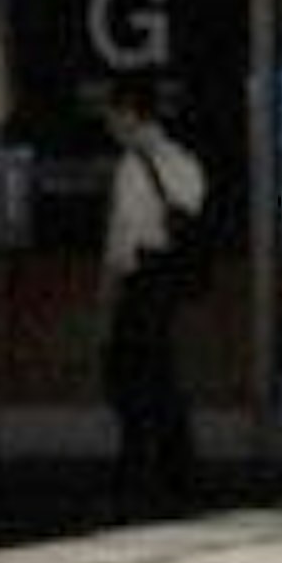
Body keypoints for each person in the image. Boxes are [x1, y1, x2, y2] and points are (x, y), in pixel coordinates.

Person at [93, 72, 207, 514]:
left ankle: (136, 472)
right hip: (170, 280)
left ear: (128, 112)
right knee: (161, 375)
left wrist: (106, 295)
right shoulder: (183, 161)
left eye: (112, 111)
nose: (108, 120)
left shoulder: (131, 167)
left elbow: (120, 242)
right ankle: (180, 471)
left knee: (128, 379)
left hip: (141, 280)